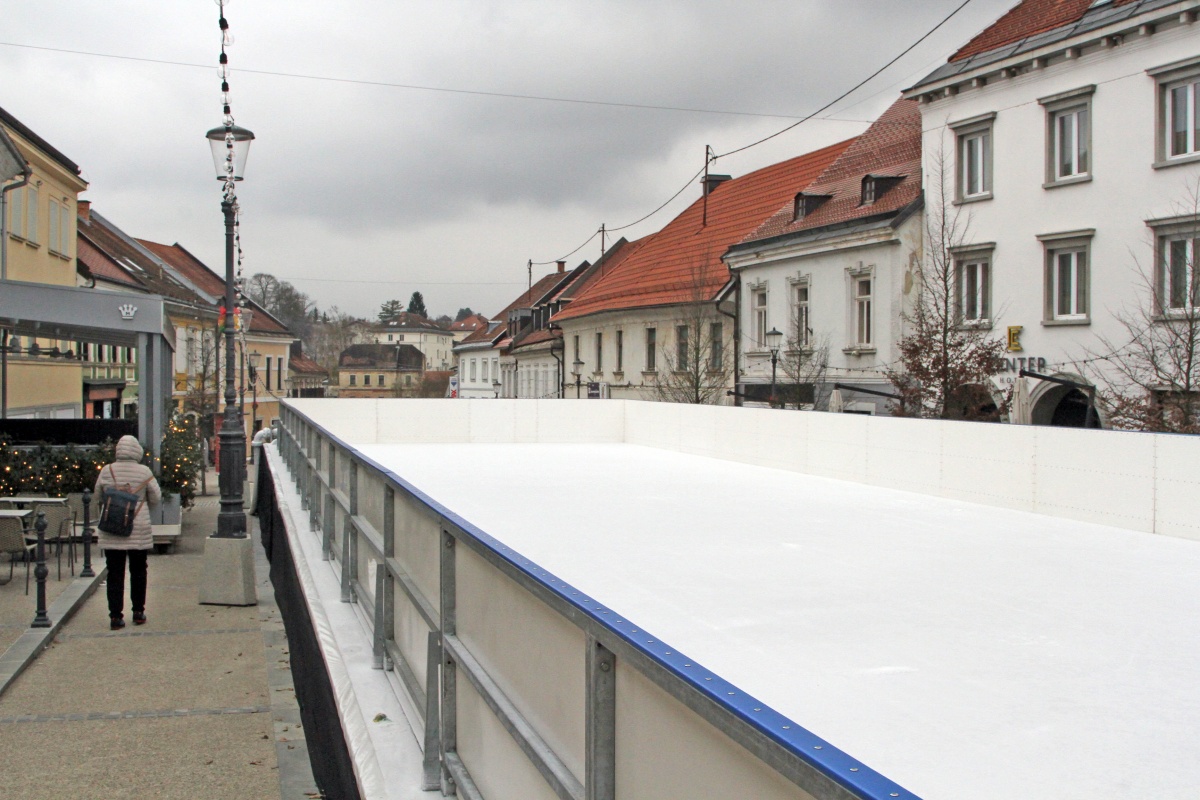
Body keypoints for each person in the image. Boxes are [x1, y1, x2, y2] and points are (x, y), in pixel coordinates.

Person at [94, 434, 161, 630]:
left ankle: (115, 617)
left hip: (113, 526)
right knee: (139, 570)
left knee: (114, 572)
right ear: (137, 451)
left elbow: (97, 495)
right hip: (137, 527)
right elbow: (156, 498)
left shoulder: (107, 470)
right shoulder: (144, 471)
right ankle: (138, 612)